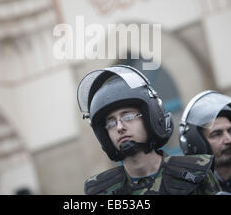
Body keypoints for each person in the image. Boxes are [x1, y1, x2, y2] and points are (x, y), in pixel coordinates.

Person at [77, 65, 221, 195]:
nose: (120, 127)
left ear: (149, 118)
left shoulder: (195, 172)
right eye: (111, 123)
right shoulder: (100, 190)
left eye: (128, 116)